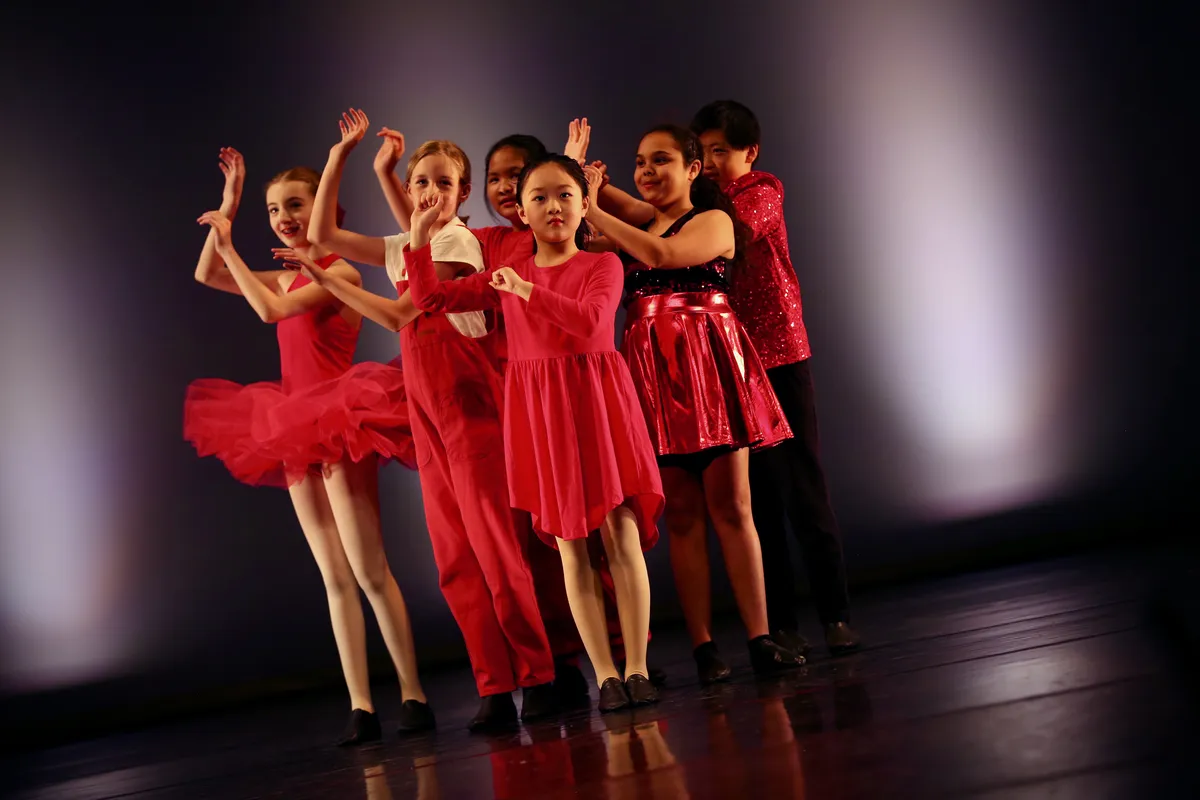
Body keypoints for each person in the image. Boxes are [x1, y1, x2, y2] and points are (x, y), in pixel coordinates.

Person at [298, 109, 557, 731]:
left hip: (471, 410)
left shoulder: (455, 246)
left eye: (445, 184)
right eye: (422, 183)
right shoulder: (408, 244)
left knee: (497, 551)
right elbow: (324, 236)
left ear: (462, 194)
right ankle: (494, 686)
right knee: (454, 560)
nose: (432, 194)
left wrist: (330, 280)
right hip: (428, 415)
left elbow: (396, 318)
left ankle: (541, 674)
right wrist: (344, 157)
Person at [185, 147, 432, 744]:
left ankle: (413, 694)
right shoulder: (289, 271)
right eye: (274, 210)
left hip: (338, 418)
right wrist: (229, 208)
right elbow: (208, 275)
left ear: (324, 206)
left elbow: (270, 311)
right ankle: (360, 706)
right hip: (291, 424)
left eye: (294, 205)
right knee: (334, 576)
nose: (284, 218)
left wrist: (231, 244)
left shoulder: (339, 274)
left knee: (370, 572)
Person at [403, 153, 664, 713]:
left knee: (618, 537)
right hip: (544, 416)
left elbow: (590, 323)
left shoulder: (602, 264)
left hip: (597, 407)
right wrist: (420, 242)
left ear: (583, 204)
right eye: (540, 197)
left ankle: (637, 667)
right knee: (571, 547)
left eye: (565, 195)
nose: (554, 207)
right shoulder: (505, 278)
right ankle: (605, 677)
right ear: (520, 210)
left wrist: (523, 290)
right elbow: (430, 300)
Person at [583, 124, 804, 684]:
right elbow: (617, 223)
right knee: (681, 514)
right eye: (640, 163)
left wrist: (593, 201)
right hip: (654, 374)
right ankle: (704, 646)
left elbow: (661, 252)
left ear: (692, 169)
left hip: (709, 364)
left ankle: (759, 636)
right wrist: (585, 180)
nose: (648, 172)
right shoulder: (635, 223)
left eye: (661, 161)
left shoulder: (713, 221)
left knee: (731, 507)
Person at [691, 99, 860, 655]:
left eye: (722, 150)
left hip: (782, 356)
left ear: (750, 152)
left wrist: (701, 202)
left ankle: (836, 616)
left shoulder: (762, 190)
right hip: (732, 362)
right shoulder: (699, 202)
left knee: (803, 490)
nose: (711, 161)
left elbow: (735, 237)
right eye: (704, 151)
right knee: (756, 503)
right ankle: (780, 625)